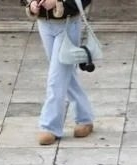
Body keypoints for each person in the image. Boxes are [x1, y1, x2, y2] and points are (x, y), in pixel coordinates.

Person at [28, 0, 96, 144]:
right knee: (66, 74)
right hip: (44, 23)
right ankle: (85, 117)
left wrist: (59, 3)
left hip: (67, 24)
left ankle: (49, 126)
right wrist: (32, 4)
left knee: (56, 78)